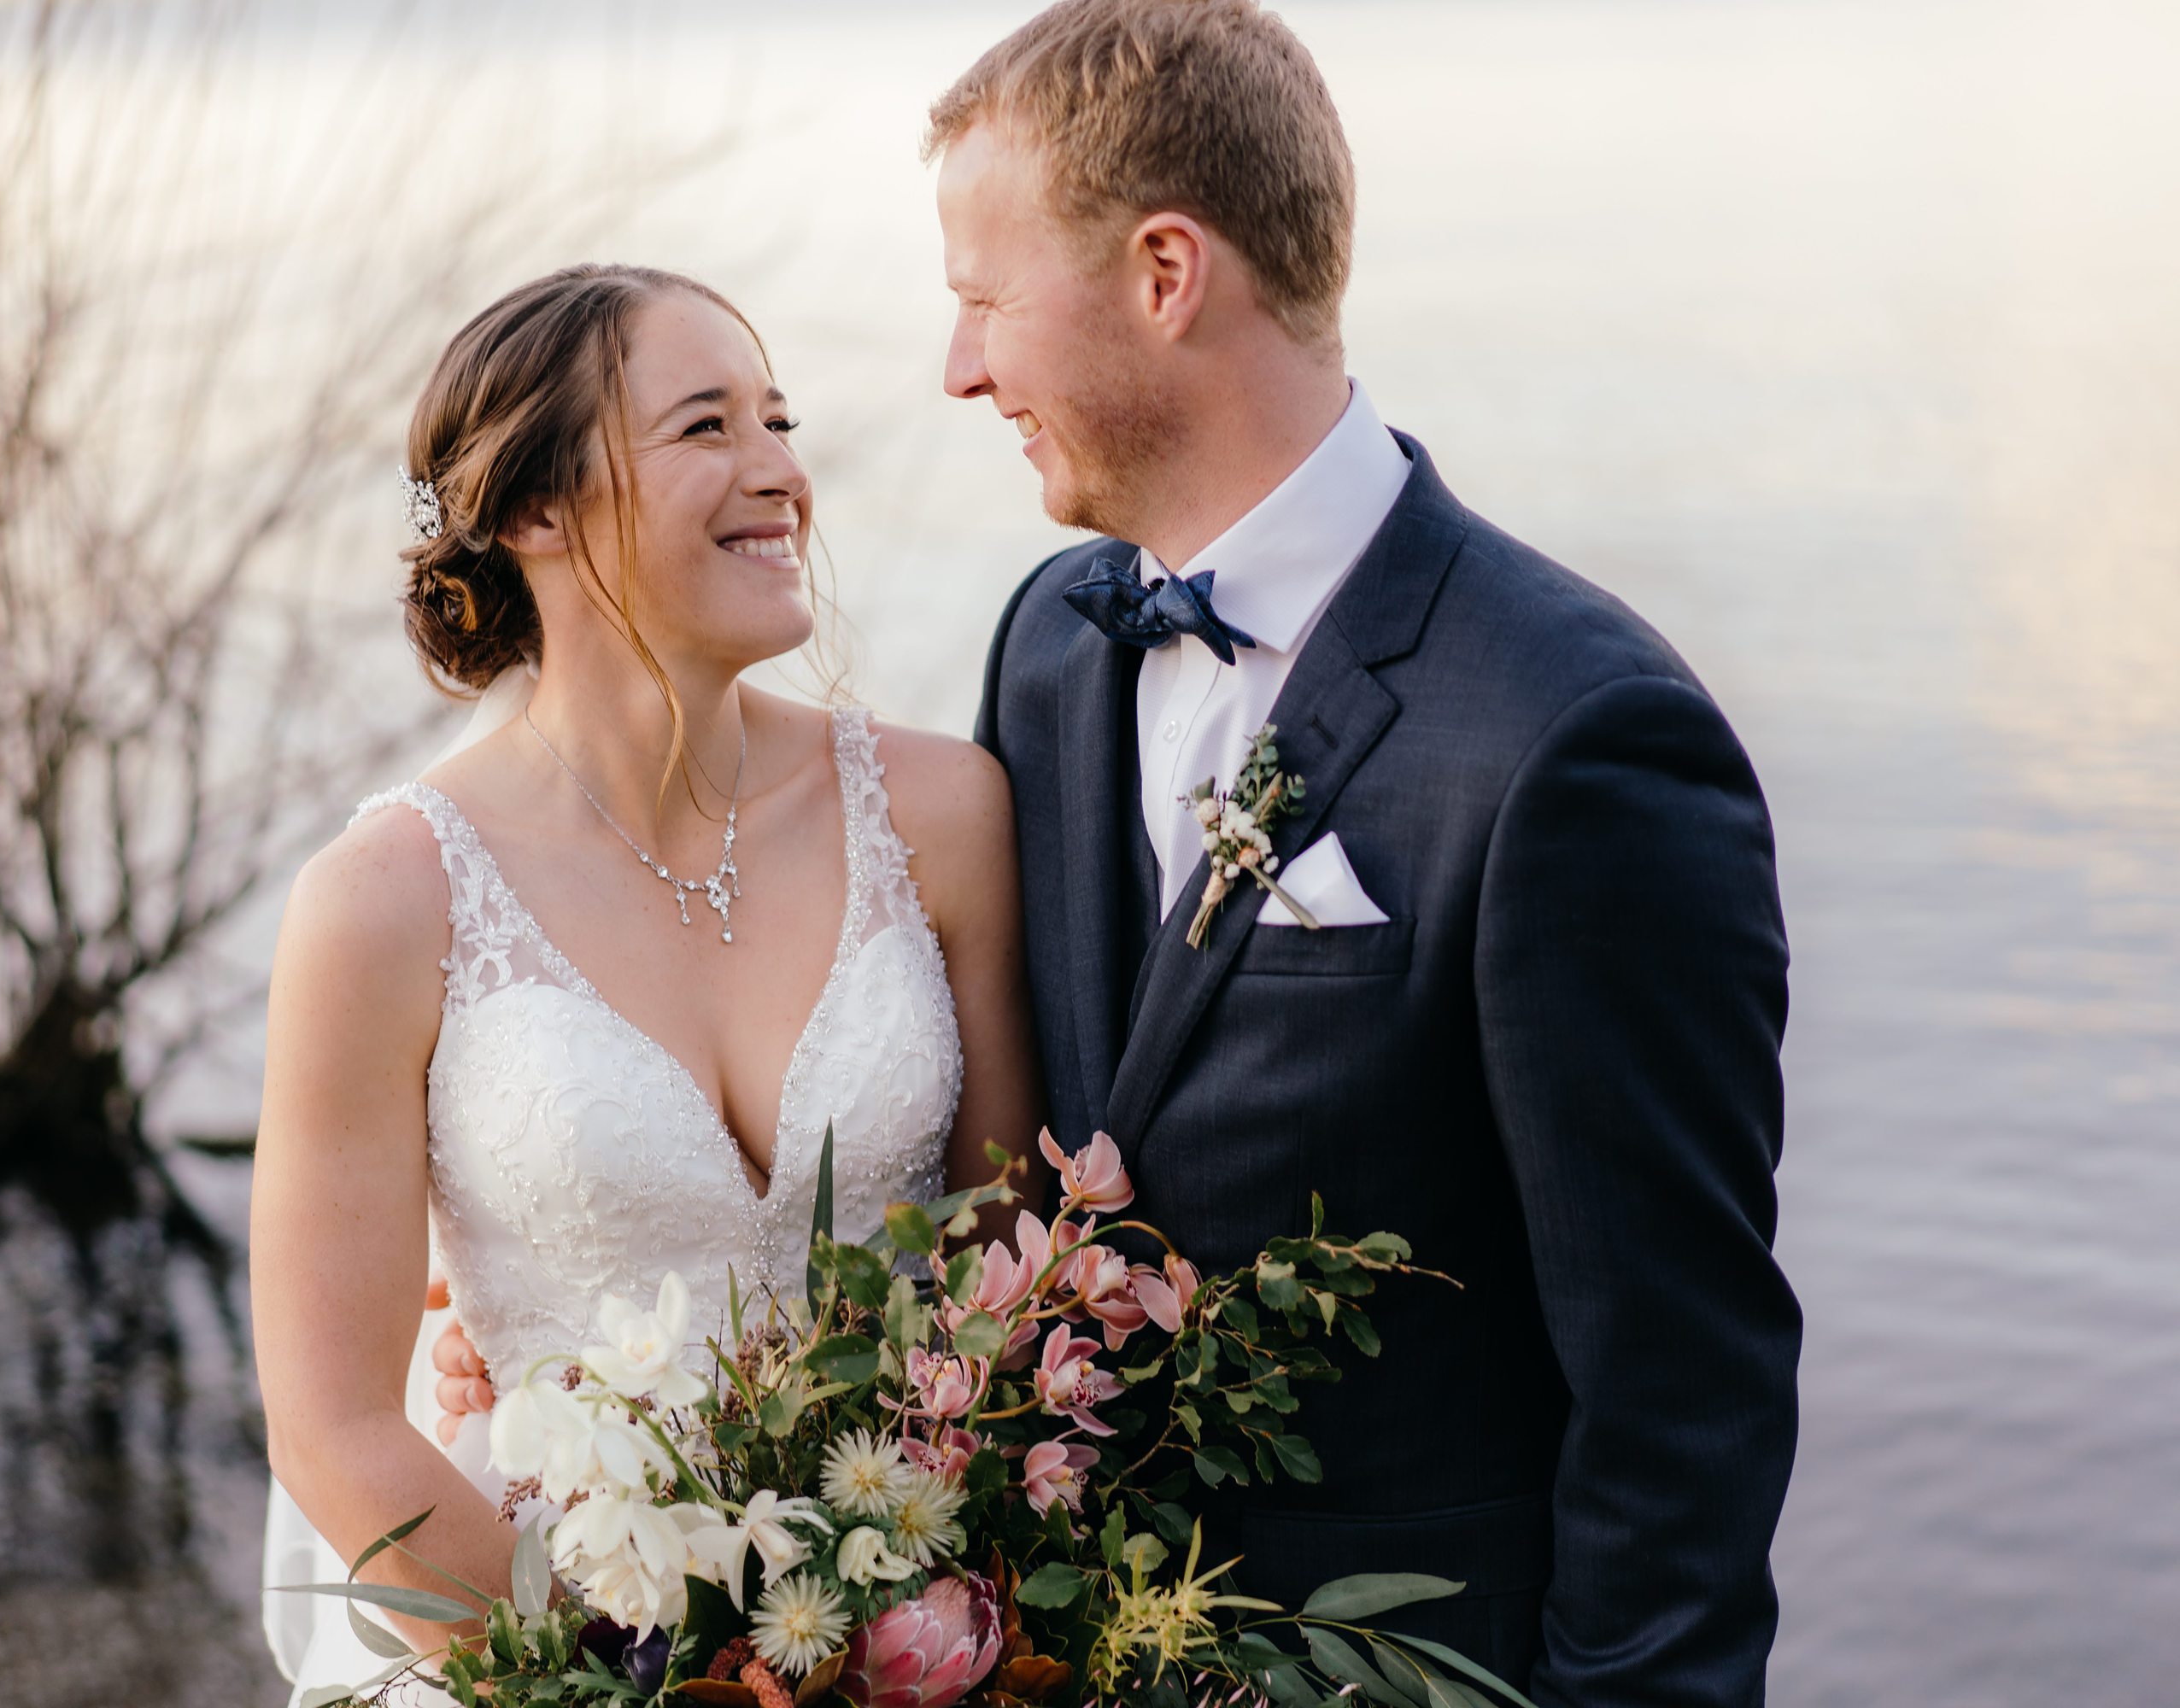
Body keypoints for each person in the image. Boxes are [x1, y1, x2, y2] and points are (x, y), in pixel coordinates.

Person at [422, 4, 1802, 1702]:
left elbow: (1682, 1390)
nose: (958, 367)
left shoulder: (1574, 738)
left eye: (982, 296)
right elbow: (981, 1141)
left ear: (1165, 275)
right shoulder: (1059, 647)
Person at [249, 263, 1042, 1706]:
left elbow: (1020, 1279)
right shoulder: (383, 904)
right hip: (532, 1636)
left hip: (907, 1636)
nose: (781, 472)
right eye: (707, 429)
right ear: (538, 511)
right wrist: (603, 1691)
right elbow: (335, 1428)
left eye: (779, 420)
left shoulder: (944, 814)